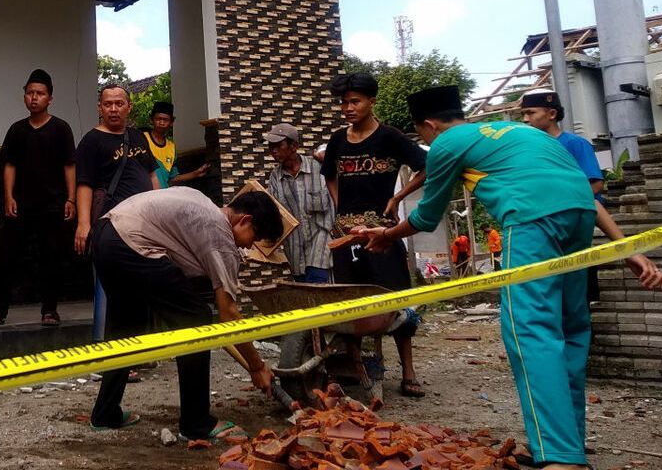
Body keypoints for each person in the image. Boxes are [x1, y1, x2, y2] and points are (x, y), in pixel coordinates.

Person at [354, 85, 607, 470]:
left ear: (428, 125)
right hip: (581, 214)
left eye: (421, 135)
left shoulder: (446, 143)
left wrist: (386, 235)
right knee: (570, 328)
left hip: (530, 218)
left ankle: (558, 457)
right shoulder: (517, 132)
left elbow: (425, 216)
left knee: (530, 330)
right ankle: (570, 445)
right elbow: (584, 186)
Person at [88, 187, 279, 437]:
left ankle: (105, 413)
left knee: (127, 327)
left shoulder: (204, 205)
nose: (249, 247)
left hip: (105, 235)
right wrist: (257, 366)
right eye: (253, 239)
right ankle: (196, 423)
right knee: (196, 319)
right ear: (245, 220)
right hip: (129, 241)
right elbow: (229, 314)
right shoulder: (220, 234)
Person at [320, 71, 427, 397]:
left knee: (396, 299)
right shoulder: (338, 140)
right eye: (343, 103)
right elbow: (329, 175)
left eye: (355, 102)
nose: (348, 108)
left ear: (371, 101)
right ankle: (357, 368)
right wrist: (340, 209)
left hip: (382, 233)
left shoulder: (390, 137)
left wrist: (397, 197)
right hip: (344, 235)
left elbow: (427, 166)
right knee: (350, 302)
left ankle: (408, 370)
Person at [519, 90, 662, 291]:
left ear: (551, 114)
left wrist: (558, 205)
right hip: (542, 227)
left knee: (573, 286)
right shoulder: (530, 148)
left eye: (530, 113)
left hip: (571, 226)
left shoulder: (573, 144)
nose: (526, 119)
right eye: (523, 115)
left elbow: (595, 184)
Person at [0, 69, 76, 329]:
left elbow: (70, 166)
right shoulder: (16, 130)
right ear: (24, 96)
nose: (34, 98)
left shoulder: (61, 129)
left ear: (49, 98)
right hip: (20, 205)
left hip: (53, 205)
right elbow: (9, 165)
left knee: (51, 258)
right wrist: (9, 196)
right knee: (8, 257)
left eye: (40, 94)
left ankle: (50, 311)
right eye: (30, 93)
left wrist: (71, 199)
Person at [73, 84, 158, 255]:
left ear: (129, 107)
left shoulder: (138, 136)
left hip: (145, 219)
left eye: (119, 104)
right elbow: (84, 184)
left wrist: (161, 208)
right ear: (100, 108)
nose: (113, 109)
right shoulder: (91, 141)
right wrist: (83, 223)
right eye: (107, 104)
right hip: (112, 222)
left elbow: (152, 175)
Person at [263, 123, 332, 282]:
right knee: (305, 297)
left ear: (294, 146)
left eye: (278, 145)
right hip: (295, 252)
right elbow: (273, 213)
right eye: (270, 146)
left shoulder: (320, 167)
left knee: (319, 289)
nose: (273, 150)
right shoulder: (275, 178)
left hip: (321, 246)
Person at [145, 101, 210, 189]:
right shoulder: (142, 139)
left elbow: (173, 178)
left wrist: (195, 173)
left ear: (172, 122)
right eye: (158, 119)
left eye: (165, 120)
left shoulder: (171, 147)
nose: (161, 123)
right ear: (151, 119)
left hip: (162, 196)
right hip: (144, 195)